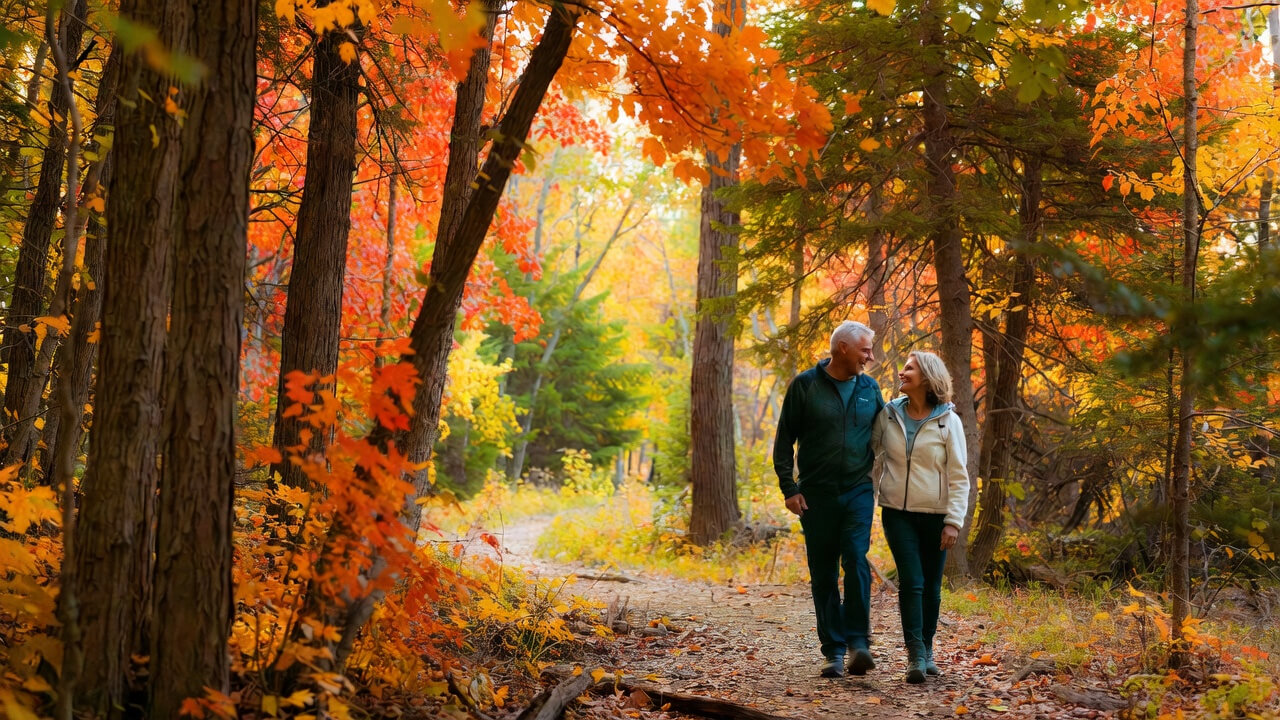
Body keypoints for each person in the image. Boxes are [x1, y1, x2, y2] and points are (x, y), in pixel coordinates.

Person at [773, 320, 885, 678]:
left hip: (858, 490)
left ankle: (858, 643)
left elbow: (889, 433)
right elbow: (783, 440)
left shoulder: (870, 388)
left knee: (856, 559)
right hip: (816, 495)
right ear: (843, 349)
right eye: (865, 350)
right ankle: (833, 651)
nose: (870, 357)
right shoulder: (805, 385)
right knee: (823, 572)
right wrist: (790, 489)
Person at [872, 350, 970, 684]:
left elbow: (959, 476)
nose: (902, 373)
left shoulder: (948, 421)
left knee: (931, 587)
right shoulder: (888, 414)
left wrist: (953, 521)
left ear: (927, 378)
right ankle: (914, 655)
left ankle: (927, 650)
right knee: (911, 582)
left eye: (909, 369)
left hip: (936, 515)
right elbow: (868, 453)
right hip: (897, 513)